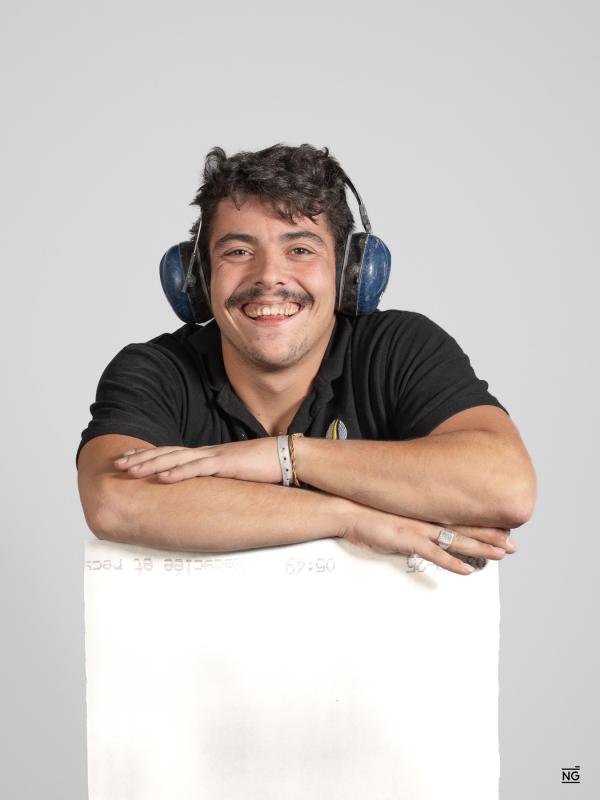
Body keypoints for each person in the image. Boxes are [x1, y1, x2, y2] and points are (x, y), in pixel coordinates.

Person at [76, 143, 537, 573]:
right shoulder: (156, 370)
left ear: (350, 271)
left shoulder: (399, 347)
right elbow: (115, 502)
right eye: (238, 251)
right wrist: (350, 517)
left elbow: (506, 486)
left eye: (300, 250)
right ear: (198, 277)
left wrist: (285, 457)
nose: (269, 276)